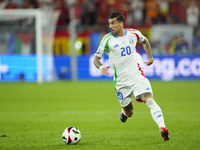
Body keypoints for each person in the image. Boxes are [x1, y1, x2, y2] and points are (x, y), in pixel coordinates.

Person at [93, 12, 169, 141]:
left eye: (113, 23)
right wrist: (101, 67)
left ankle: (162, 127)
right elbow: (96, 59)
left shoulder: (134, 33)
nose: (110, 26)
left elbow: (144, 40)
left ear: (121, 23)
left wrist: (150, 57)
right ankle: (124, 113)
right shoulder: (107, 40)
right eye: (109, 23)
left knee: (149, 100)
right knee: (130, 112)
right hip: (121, 82)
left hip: (136, 75)